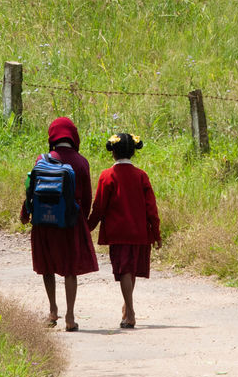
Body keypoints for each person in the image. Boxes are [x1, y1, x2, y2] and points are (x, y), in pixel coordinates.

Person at [20, 116, 98, 331]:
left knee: (48, 266)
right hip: (71, 222)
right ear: (73, 136)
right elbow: (88, 197)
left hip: (44, 221)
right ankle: (70, 317)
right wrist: (86, 222)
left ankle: (53, 310)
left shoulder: (42, 159)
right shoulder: (81, 162)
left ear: (52, 136)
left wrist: (25, 212)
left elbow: (31, 189)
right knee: (70, 268)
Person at [88, 132, 161, 330]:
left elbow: (99, 207)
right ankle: (127, 308)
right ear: (133, 153)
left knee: (124, 271)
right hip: (139, 232)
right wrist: (156, 232)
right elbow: (151, 208)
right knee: (131, 270)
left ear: (113, 153)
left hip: (118, 232)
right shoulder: (141, 176)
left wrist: (88, 227)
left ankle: (130, 313)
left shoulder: (107, 176)